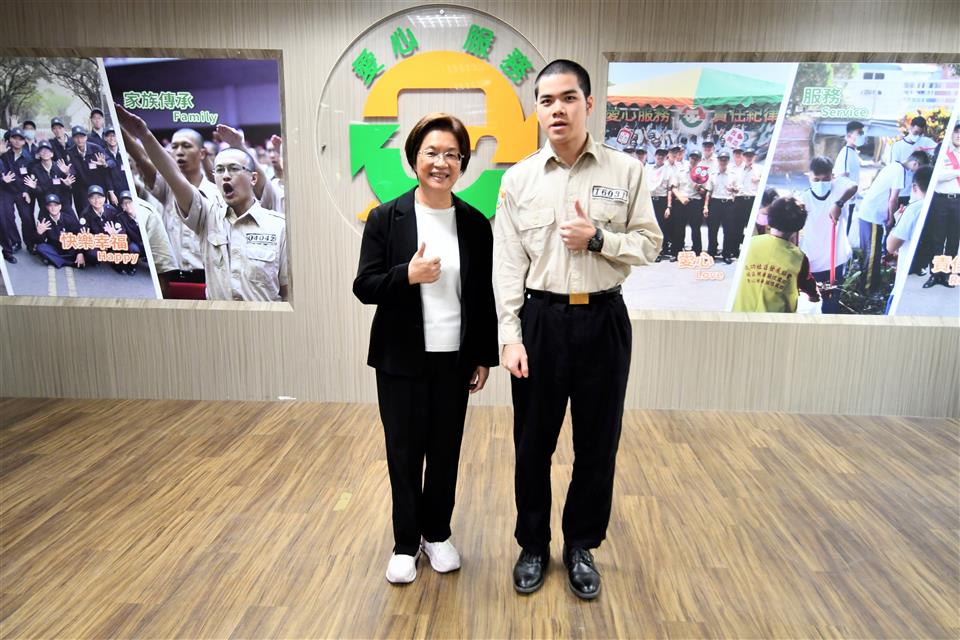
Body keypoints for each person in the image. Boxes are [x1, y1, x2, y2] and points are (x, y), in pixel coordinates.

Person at [493, 59, 661, 600]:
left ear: (589, 104)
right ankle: (533, 545)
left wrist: (599, 240)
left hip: (603, 319)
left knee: (597, 444)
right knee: (532, 445)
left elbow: (650, 245)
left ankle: (581, 546)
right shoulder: (518, 179)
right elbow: (507, 265)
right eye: (546, 101)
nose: (557, 109)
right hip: (541, 321)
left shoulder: (625, 171)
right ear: (537, 110)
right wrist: (509, 335)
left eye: (568, 98)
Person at [353, 113, 498, 584]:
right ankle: (404, 542)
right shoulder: (386, 217)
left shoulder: (474, 223)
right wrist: (407, 275)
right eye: (432, 152)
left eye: (452, 154)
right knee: (403, 451)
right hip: (400, 359)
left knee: (445, 450)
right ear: (414, 158)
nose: (441, 163)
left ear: (463, 163)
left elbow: (481, 294)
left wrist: (483, 355)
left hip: (454, 358)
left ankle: (436, 534)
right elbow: (365, 285)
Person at [116, 104, 289, 301]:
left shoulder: (279, 226)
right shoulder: (208, 217)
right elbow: (173, 176)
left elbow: (287, 292)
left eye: (233, 168)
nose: (226, 176)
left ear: (254, 178)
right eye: (220, 170)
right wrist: (144, 134)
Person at [855, 150, 930, 294]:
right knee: (873, 254)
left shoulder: (894, 166)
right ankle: (868, 289)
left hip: (868, 213)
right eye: (918, 169)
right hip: (873, 216)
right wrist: (891, 219)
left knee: (871, 253)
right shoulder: (900, 171)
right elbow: (893, 199)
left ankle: (871, 284)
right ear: (915, 163)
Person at [732, 196, 820, 312]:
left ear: (769, 219)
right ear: (799, 226)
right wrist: (814, 295)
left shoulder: (750, 244)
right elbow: (807, 283)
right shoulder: (799, 258)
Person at [797, 156, 858, 313]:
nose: (821, 183)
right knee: (812, 302)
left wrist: (839, 203)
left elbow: (854, 186)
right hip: (811, 262)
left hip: (834, 260)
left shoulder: (838, 187)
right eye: (816, 179)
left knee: (831, 302)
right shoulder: (804, 199)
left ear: (832, 176)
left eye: (825, 179)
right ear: (809, 176)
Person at [922, 123, 959, 288]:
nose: (959, 135)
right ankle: (935, 275)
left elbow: (945, 174)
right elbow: (937, 176)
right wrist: (957, 172)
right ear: (951, 134)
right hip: (941, 200)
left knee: (953, 239)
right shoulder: (943, 152)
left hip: (958, 201)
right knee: (937, 238)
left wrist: (950, 173)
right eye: (956, 132)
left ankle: (947, 274)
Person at [1, 127, 40, 253]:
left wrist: (27, 191)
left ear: (24, 141)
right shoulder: (4, 154)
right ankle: (15, 241)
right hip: (7, 191)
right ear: (10, 139)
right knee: (8, 216)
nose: (17, 141)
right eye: (14, 138)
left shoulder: (28, 157)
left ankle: (30, 243)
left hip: (22, 191)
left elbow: (31, 176)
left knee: (27, 217)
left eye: (20, 139)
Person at [886, 165, 933, 257]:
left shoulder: (914, 209)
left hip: (915, 263)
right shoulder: (944, 205)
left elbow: (891, 246)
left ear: (915, 187)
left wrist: (898, 221)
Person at [891, 116, 936, 206]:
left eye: (920, 134)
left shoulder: (925, 142)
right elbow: (894, 167)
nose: (918, 136)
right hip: (902, 191)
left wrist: (927, 151)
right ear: (910, 127)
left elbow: (939, 150)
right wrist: (913, 154)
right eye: (916, 132)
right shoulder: (898, 146)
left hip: (918, 192)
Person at [670, 149, 707, 256]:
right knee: (679, 227)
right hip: (680, 202)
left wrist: (699, 188)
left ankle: (697, 251)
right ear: (689, 158)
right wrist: (681, 197)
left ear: (700, 160)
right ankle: (676, 252)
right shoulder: (680, 171)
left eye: (696, 158)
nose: (694, 160)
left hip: (695, 202)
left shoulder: (703, 173)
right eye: (692, 158)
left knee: (695, 228)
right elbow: (673, 187)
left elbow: (705, 191)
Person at [66, 125, 110, 214]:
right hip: (81, 188)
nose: (79, 140)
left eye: (82, 137)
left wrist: (105, 163)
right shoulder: (70, 152)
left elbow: (111, 162)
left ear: (86, 137)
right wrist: (68, 172)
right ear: (73, 139)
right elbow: (72, 169)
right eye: (76, 137)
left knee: (101, 211)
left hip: (98, 185)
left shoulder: (96, 148)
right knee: (84, 213)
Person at [706, 149, 739, 262]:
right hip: (715, 203)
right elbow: (709, 191)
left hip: (728, 204)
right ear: (718, 161)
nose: (723, 162)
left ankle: (726, 254)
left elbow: (738, 190)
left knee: (728, 230)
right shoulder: (713, 175)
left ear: (728, 161)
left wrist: (733, 189)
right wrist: (706, 206)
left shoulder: (733, 175)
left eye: (725, 160)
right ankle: (711, 252)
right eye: (721, 159)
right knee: (712, 229)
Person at [35, 193, 84, 269]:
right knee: (40, 248)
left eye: (55, 205)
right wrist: (39, 233)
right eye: (50, 206)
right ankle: (68, 263)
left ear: (60, 206)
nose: (53, 208)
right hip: (55, 248)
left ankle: (54, 260)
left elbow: (79, 236)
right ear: (47, 207)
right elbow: (40, 241)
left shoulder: (69, 219)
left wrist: (80, 253)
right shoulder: (44, 221)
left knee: (85, 251)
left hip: (70, 248)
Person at [834, 120, 865, 233]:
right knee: (841, 232)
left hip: (850, 200)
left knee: (845, 231)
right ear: (849, 136)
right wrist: (843, 200)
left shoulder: (853, 152)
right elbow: (843, 177)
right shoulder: (846, 153)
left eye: (862, 133)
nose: (862, 136)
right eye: (859, 133)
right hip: (845, 202)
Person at [648, 147, 672, 261]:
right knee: (650, 226)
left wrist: (668, 207)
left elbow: (669, 190)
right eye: (659, 155)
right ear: (655, 156)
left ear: (665, 157)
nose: (660, 157)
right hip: (650, 200)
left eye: (663, 155)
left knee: (661, 227)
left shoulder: (668, 170)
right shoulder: (649, 169)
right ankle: (652, 250)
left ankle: (660, 250)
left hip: (662, 201)